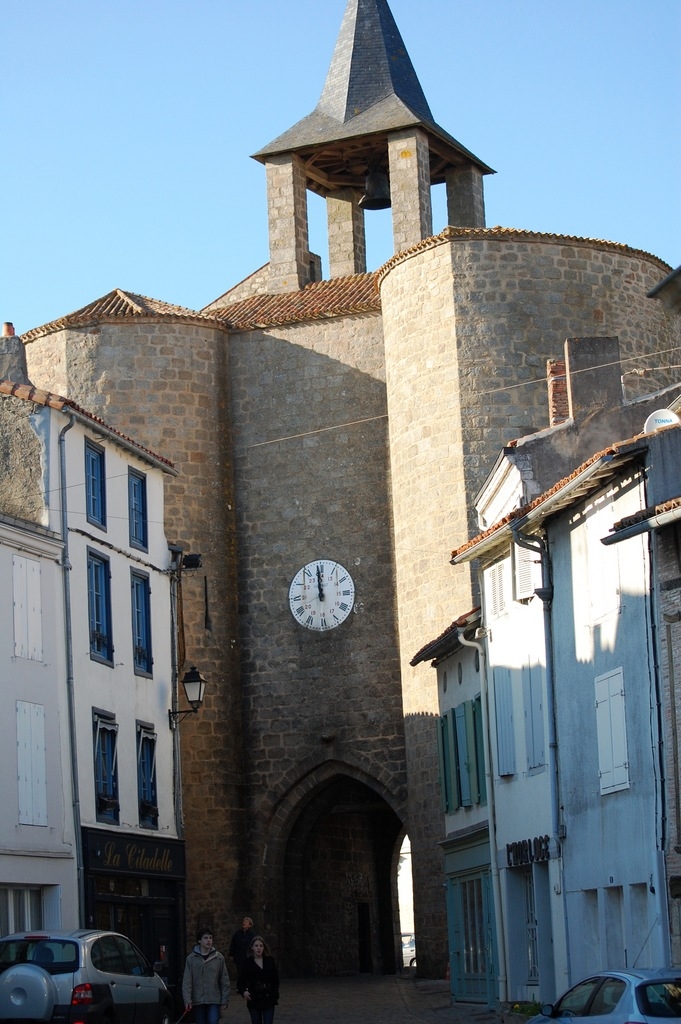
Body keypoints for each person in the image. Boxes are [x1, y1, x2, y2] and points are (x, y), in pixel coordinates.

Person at [182, 926, 230, 1024]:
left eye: (210, 938)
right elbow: (187, 981)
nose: (209, 940)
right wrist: (187, 999)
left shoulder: (219, 958)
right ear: (199, 940)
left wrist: (225, 999)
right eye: (206, 938)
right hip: (198, 999)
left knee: (213, 1021)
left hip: (214, 998)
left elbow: (224, 979)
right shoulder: (191, 959)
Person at [237, 936, 279, 1024]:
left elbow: (275, 980)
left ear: (264, 947)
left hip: (268, 997)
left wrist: (274, 994)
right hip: (254, 998)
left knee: (268, 1021)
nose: (259, 948)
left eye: (261, 946)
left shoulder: (270, 961)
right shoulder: (247, 963)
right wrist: (243, 992)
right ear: (252, 947)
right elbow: (241, 981)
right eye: (256, 946)